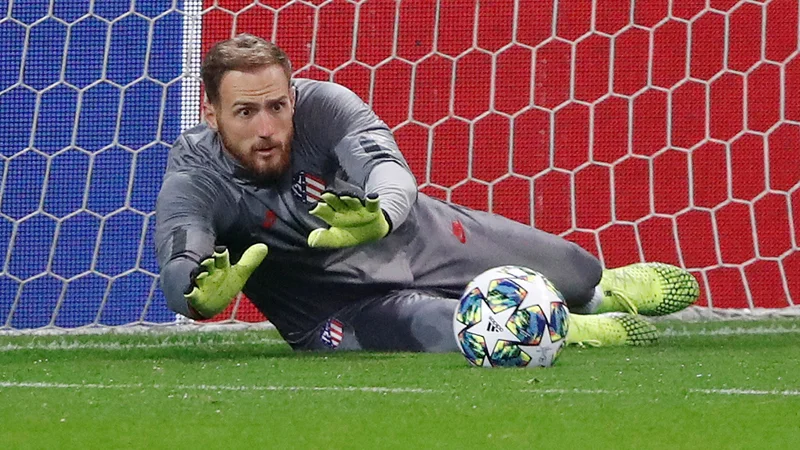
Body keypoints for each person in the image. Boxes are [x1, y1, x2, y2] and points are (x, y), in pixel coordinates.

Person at [155, 34, 699, 352]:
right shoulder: (196, 176)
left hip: (417, 236)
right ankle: (573, 327)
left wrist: (383, 215)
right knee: (449, 325)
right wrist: (196, 293)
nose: (267, 128)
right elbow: (183, 255)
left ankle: (604, 293)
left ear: (292, 96)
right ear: (211, 112)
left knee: (577, 269)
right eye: (245, 113)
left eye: (276, 106)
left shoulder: (327, 106)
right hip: (339, 310)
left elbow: (388, 170)